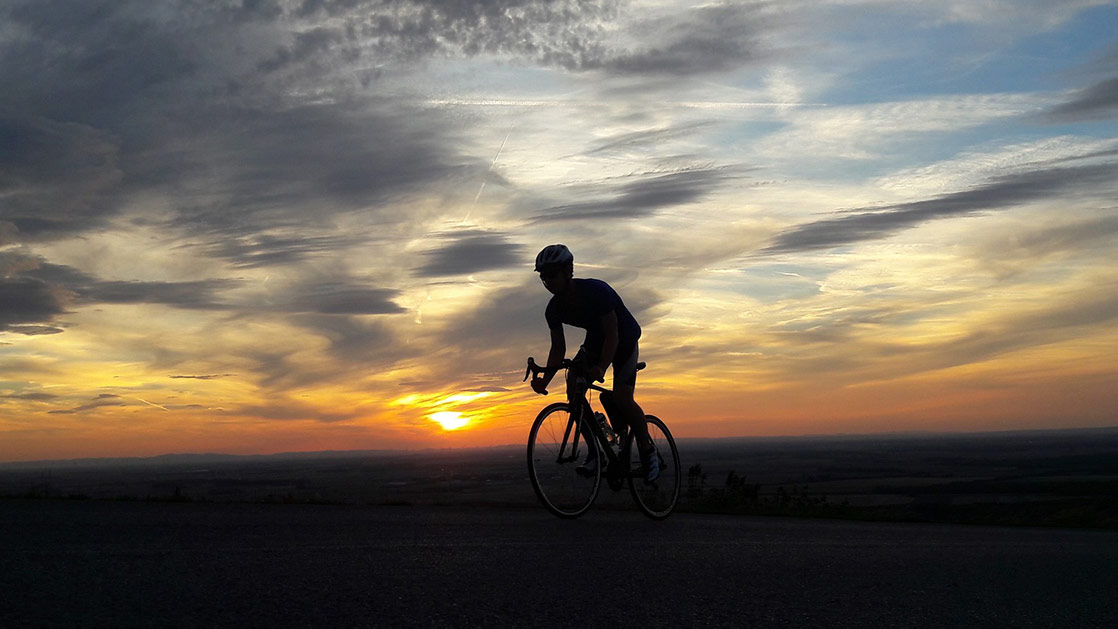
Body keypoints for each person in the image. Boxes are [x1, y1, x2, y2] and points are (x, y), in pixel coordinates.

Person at [529, 244, 658, 481]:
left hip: (625, 339)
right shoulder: (554, 309)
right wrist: (544, 380)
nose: (548, 281)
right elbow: (558, 349)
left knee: (622, 397)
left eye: (552, 275)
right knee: (573, 384)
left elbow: (613, 335)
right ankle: (596, 450)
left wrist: (600, 367)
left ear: (568, 271)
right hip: (597, 341)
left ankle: (649, 453)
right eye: (543, 277)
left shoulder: (596, 292)